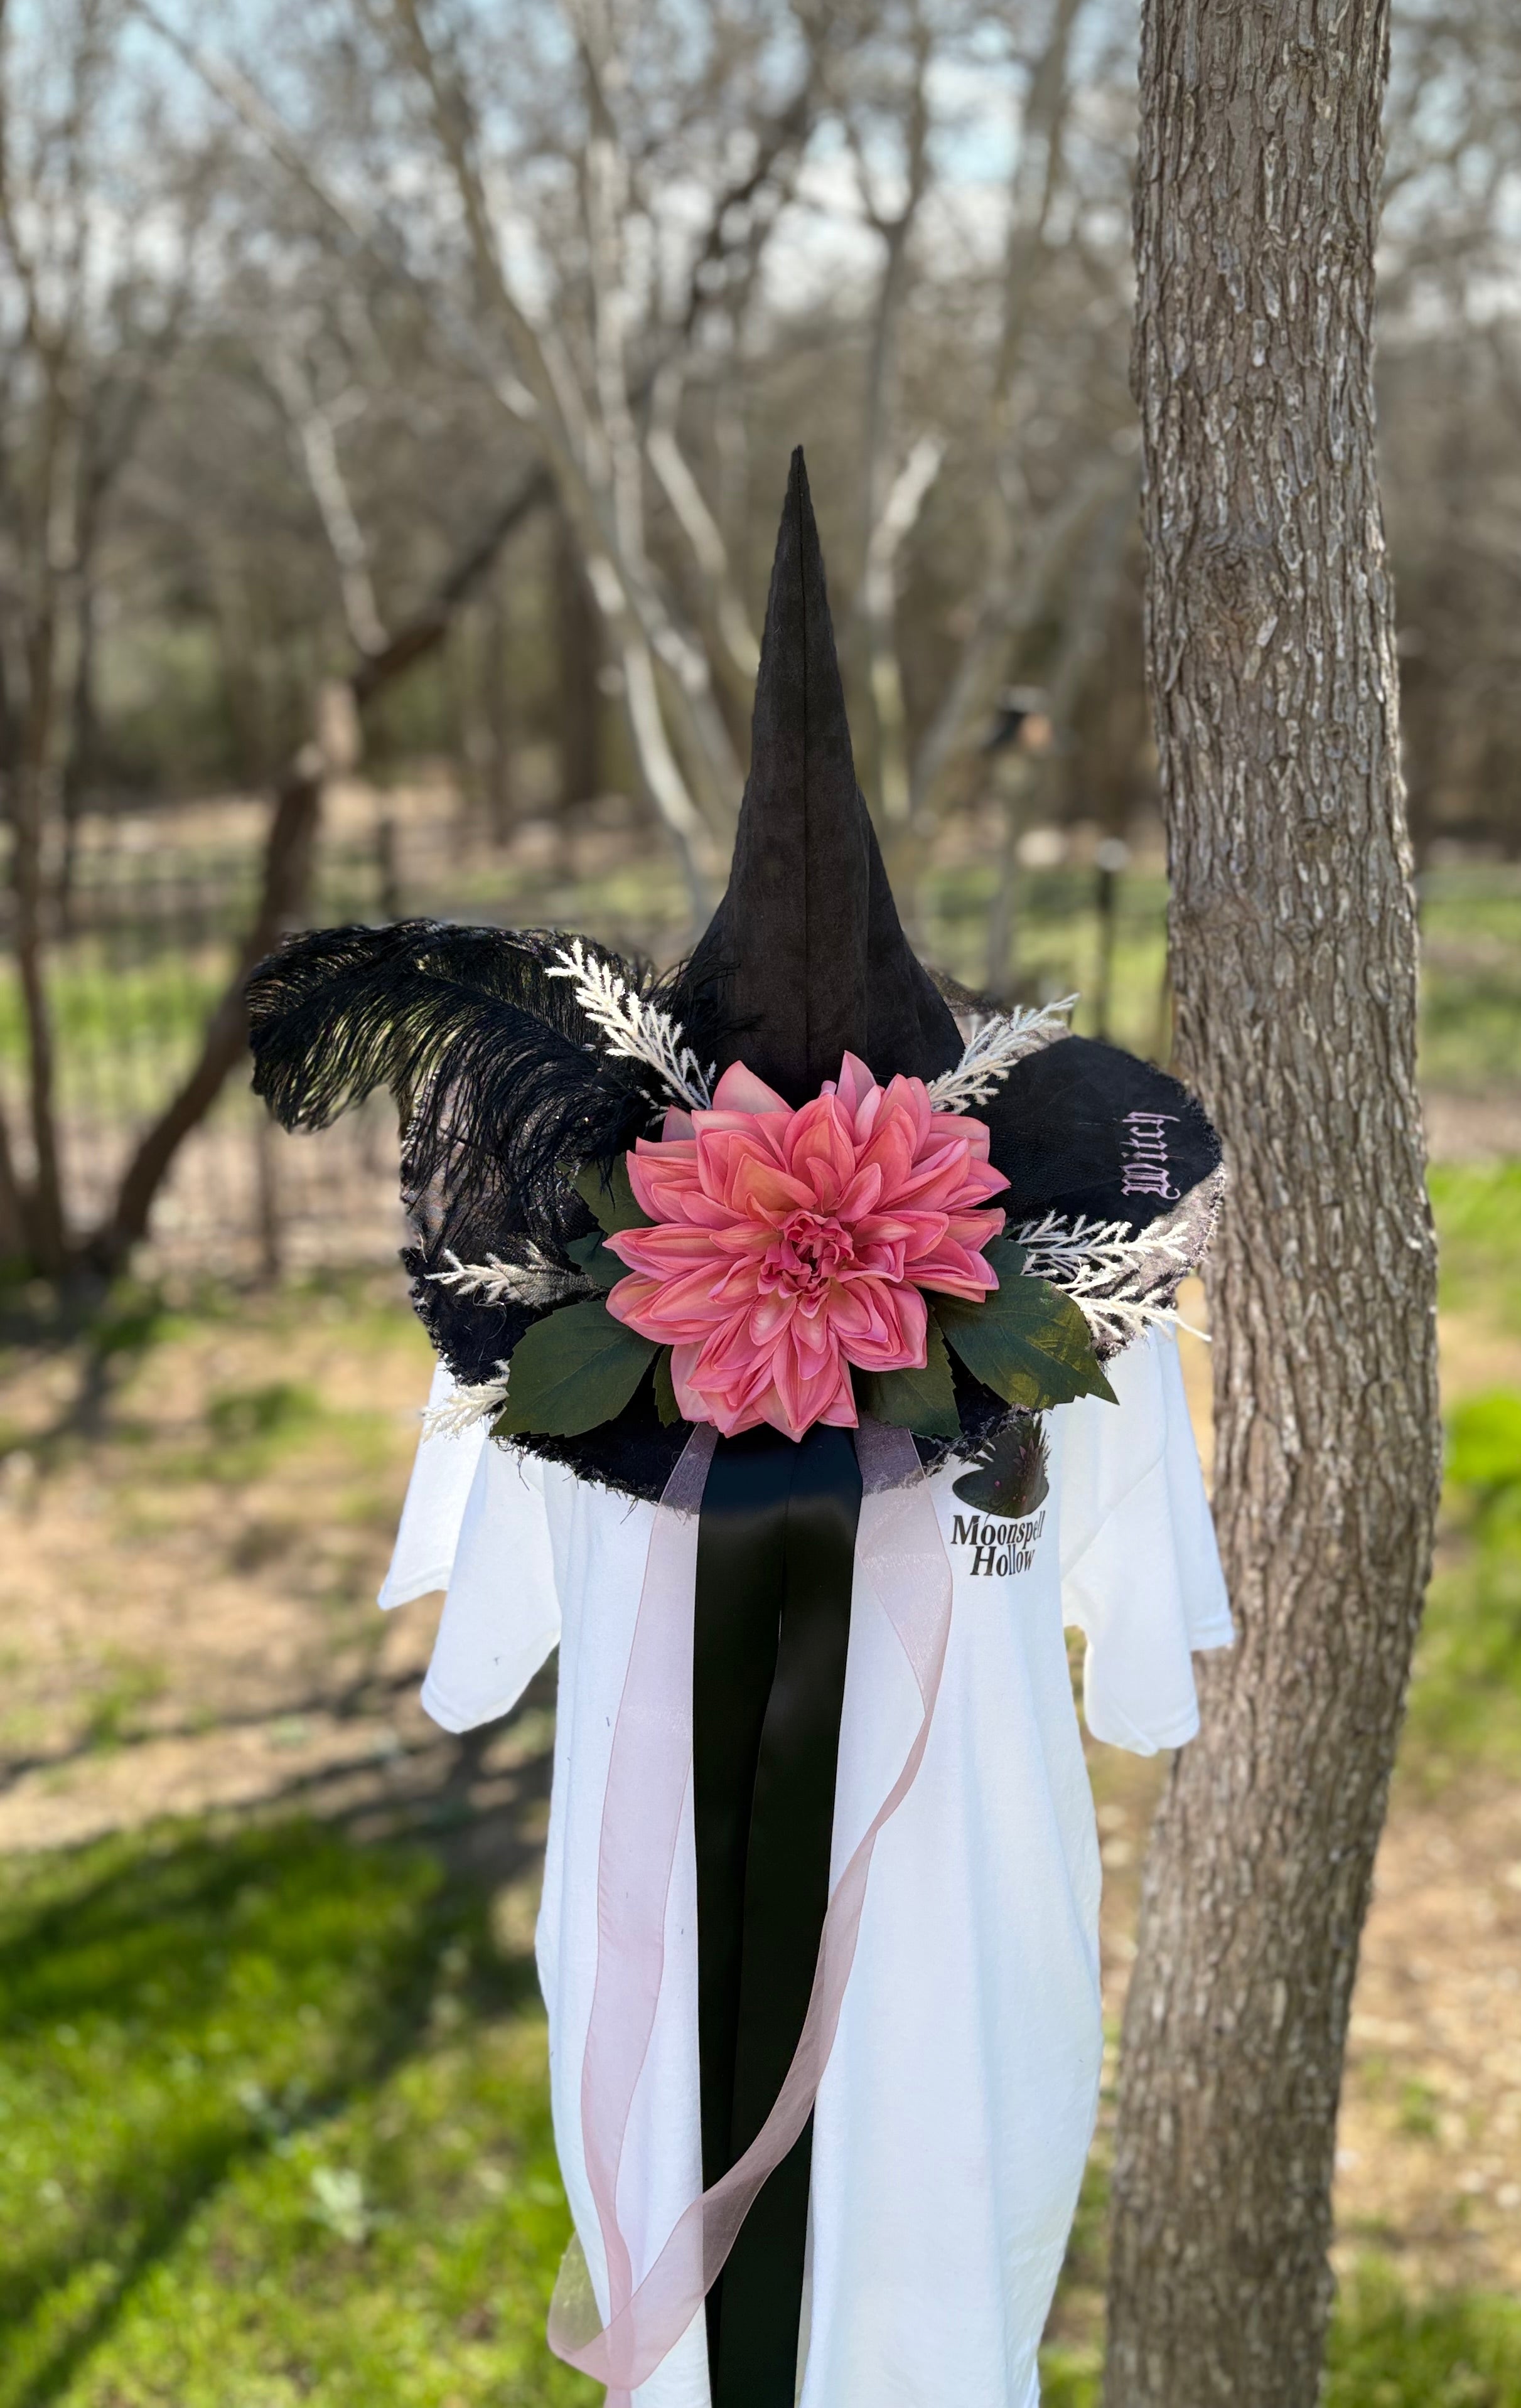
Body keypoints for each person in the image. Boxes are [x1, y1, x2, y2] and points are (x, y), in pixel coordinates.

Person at [249, 452, 1229, 2408]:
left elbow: (1140, 1676)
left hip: (965, 1945)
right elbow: (481, 1654)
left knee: (947, 2285)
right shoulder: (551, 1332)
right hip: (665, 1951)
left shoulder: (1087, 1323)